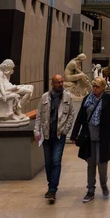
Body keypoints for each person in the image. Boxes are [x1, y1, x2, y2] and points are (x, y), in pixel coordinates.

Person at [70, 76, 110, 203]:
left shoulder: (108, 99)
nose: (94, 89)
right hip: (89, 137)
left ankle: (103, 184)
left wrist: (109, 132)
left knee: (102, 164)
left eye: (97, 86)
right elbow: (80, 118)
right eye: (93, 86)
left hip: (102, 138)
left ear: (102, 88)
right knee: (91, 164)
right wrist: (74, 135)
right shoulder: (87, 99)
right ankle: (90, 189)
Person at [34, 74, 75, 203]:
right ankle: (50, 184)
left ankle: (52, 189)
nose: (61, 84)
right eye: (58, 82)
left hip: (59, 135)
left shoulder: (67, 97)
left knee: (56, 161)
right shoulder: (45, 97)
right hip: (46, 134)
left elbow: (71, 114)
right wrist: (36, 131)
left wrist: (65, 130)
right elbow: (39, 115)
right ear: (52, 84)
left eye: (62, 82)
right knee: (48, 162)